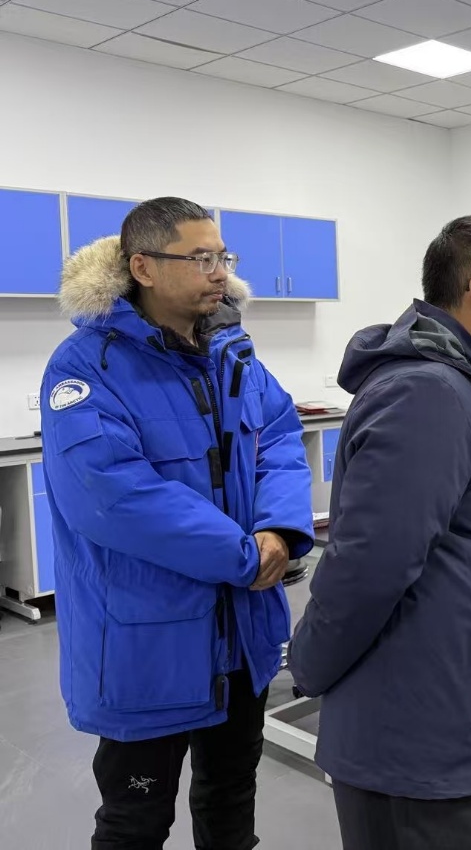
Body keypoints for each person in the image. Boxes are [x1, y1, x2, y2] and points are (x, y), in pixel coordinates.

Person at [41, 197, 314, 849]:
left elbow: (278, 436)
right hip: (146, 644)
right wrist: (245, 556)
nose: (220, 272)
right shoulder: (86, 366)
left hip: (240, 635)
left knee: (231, 803)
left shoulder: (233, 353)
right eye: (200, 258)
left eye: (223, 256)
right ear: (143, 267)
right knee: (136, 822)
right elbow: (116, 495)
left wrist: (278, 528)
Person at [288, 215, 471, 850]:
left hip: (448, 712)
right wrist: (308, 666)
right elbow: (366, 569)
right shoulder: (427, 395)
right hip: (417, 735)